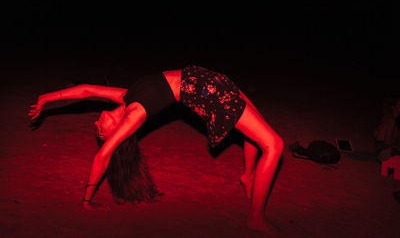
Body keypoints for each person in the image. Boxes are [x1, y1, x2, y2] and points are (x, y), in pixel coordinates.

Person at [29, 65, 284, 232]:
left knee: (255, 123)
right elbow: (102, 156)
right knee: (274, 145)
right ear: (114, 133)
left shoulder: (126, 97)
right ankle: (255, 217)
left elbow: (86, 90)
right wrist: (87, 200)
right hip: (206, 93)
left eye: (96, 124)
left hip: (208, 79)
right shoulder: (133, 116)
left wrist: (46, 98)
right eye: (99, 130)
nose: (96, 122)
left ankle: (248, 176)